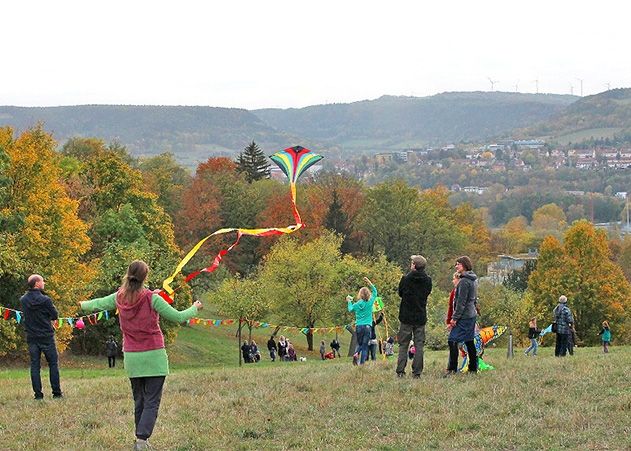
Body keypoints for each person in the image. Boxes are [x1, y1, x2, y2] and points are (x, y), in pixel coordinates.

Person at [80, 260, 201, 451]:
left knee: (140, 399)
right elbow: (179, 317)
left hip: (132, 357)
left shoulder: (119, 297)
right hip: (154, 356)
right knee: (152, 400)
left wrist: (81, 304)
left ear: (128, 274)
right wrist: (195, 306)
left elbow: (96, 304)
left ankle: (140, 440)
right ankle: (142, 440)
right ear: (145, 277)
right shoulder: (152, 298)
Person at [20, 274, 63, 400]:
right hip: (46, 336)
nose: (44, 283)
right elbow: (55, 315)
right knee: (53, 364)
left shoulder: (23, 300)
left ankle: (38, 395)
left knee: (35, 365)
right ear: (37, 283)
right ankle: (56, 393)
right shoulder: (45, 300)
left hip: (32, 336)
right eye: (42, 281)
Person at [396, 255, 432, 378]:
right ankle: (417, 372)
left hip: (406, 316)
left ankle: (400, 371)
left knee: (403, 345)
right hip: (420, 316)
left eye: (412, 262)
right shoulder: (428, 280)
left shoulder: (405, 279)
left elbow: (400, 293)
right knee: (419, 345)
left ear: (414, 265)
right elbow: (427, 293)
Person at [446, 256, 478, 376]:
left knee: (452, 340)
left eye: (458, 264)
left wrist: (454, 318)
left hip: (464, 316)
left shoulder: (464, 282)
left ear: (463, 265)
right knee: (469, 341)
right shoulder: (473, 279)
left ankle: (452, 369)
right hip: (471, 314)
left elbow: (461, 302)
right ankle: (473, 367)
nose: (456, 266)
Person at [346, 277, 378, 365]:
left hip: (359, 326)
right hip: (368, 326)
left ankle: (356, 354)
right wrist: (369, 282)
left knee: (359, 344)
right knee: (364, 346)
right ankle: (362, 363)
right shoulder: (370, 301)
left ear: (360, 295)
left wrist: (349, 301)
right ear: (368, 294)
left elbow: (350, 309)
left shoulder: (357, 304)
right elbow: (375, 292)